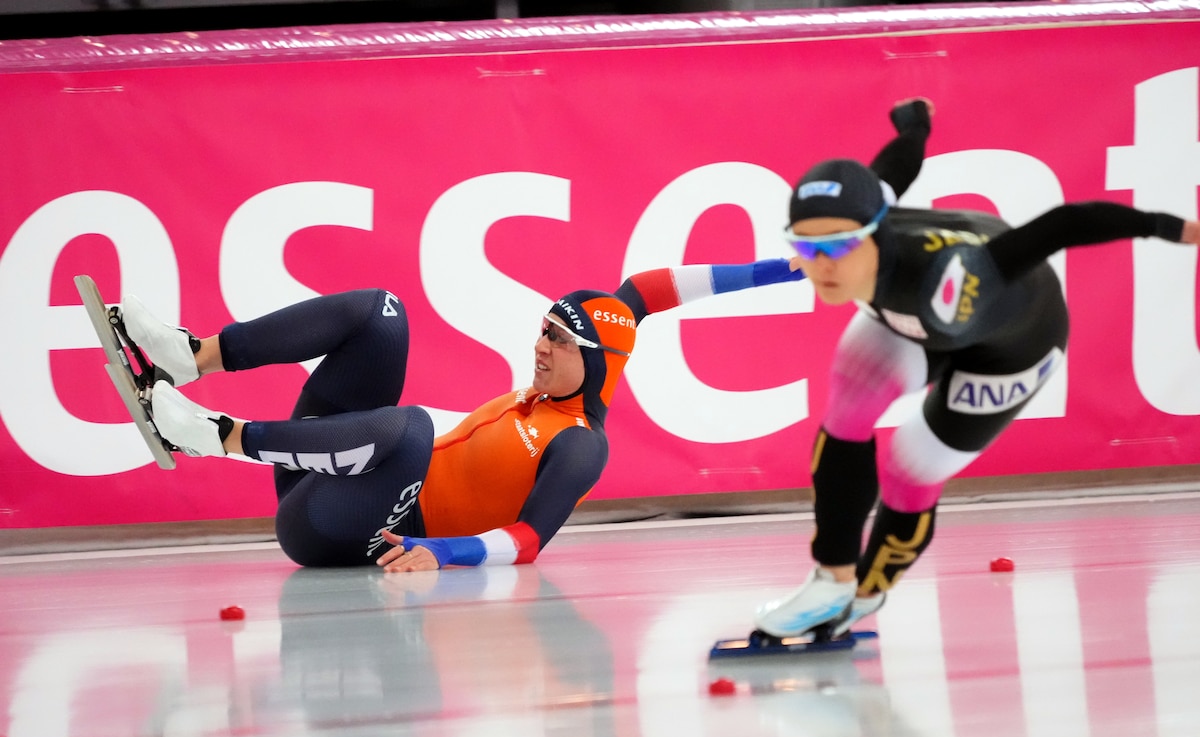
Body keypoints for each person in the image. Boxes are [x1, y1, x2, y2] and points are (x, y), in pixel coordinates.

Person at [742, 98, 1200, 639]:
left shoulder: (949, 279)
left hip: (1013, 344)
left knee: (910, 466)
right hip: (917, 318)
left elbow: (1061, 224)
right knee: (848, 401)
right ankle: (833, 578)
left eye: (840, 246)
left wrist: (1171, 227)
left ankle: (866, 594)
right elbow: (900, 162)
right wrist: (916, 122)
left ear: (872, 234)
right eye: (805, 246)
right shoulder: (870, 204)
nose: (822, 265)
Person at [120, 258, 798, 571]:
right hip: (333, 478)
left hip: (353, 534)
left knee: (414, 429)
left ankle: (213, 435)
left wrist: (433, 552)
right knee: (383, 314)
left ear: (595, 361)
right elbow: (653, 288)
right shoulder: (597, 340)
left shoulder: (582, 445)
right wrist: (787, 268)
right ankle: (192, 356)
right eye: (541, 329)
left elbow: (528, 541)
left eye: (558, 341)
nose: (539, 346)